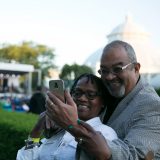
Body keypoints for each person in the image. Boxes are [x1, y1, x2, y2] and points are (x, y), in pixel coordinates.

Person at [46, 40, 160, 160]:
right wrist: (56, 119)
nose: (109, 77)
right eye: (104, 71)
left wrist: (73, 126)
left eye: (117, 69)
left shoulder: (152, 105)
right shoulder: (109, 92)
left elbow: (137, 155)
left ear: (136, 68)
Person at [16, 73, 118, 160]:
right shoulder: (58, 130)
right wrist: (36, 132)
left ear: (103, 102)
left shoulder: (106, 133)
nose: (82, 98)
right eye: (77, 93)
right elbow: (23, 158)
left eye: (91, 94)